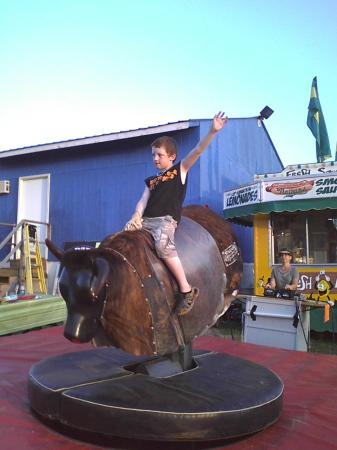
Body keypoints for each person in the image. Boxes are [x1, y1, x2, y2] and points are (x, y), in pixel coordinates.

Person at [124, 112, 228, 315]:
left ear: (171, 157)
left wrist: (212, 132)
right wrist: (135, 216)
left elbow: (198, 150)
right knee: (125, 239)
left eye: (159, 155)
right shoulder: (150, 181)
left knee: (163, 247)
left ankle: (186, 289)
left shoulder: (179, 170)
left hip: (165, 222)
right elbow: (143, 200)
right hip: (145, 221)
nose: (155, 158)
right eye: (153, 155)